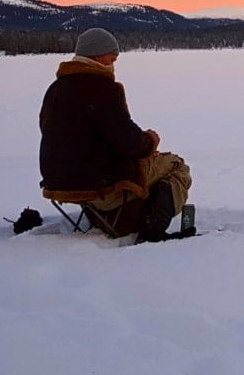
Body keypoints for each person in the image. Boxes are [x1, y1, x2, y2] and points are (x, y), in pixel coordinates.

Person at [39, 27, 192, 242]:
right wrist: (150, 140)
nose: (114, 62)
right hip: (100, 185)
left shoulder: (55, 89)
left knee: (154, 164)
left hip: (62, 183)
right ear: (96, 55)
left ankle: (120, 216)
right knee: (176, 165)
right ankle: (153, 230)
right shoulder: (101, 88)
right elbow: (128, 143)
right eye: (111, 57)